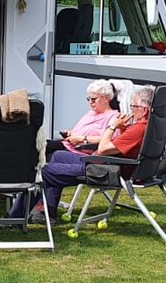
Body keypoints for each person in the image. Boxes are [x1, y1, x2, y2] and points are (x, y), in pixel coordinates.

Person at [11, 85, 155, 223]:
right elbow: (123, 147)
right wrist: (122, 129)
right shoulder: (148, 126)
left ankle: (15, 218)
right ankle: (48, 212)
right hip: (104, 163)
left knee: (43, 171)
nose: (131, 109)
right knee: (58, 155)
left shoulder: (137, 128)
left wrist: (112, 127)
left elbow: (104, 148)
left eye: (134, 106)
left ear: (145, 110)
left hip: (105, 170)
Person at [54, 79, 118, 153]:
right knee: (44, 145)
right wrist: (70, 134)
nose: (90, 102)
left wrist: (82, 139)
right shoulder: (90, 113)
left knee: (50, 152)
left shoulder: (114, 117)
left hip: (81, 152)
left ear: (106, 99)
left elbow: (111, 140)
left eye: (93, 99)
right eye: (88, 99)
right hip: (68, 145)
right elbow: (80, 131)